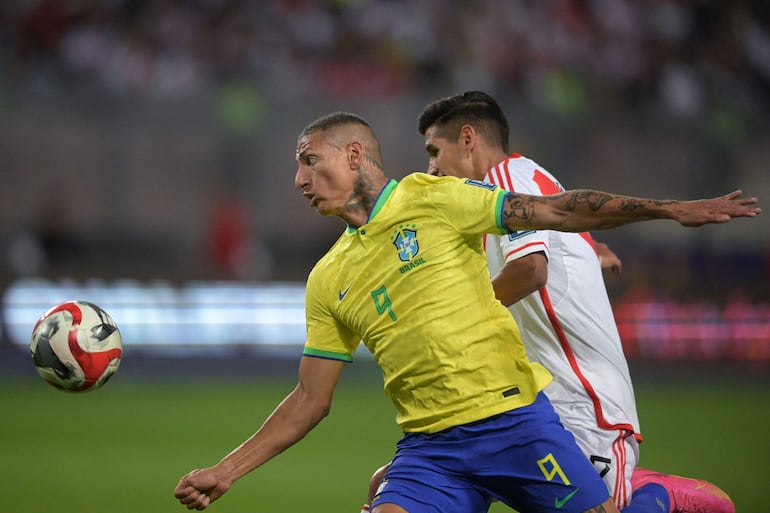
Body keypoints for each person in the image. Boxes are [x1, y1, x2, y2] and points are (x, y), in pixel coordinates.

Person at [174, 111, 759, 513]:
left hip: (515, 426)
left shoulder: (436, 199)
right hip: (430, 450)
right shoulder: (328, 278)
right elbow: (310, 397)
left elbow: (555, 213)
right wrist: (226, 470)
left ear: (353, 154)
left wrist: (669, 208)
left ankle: (654, 496)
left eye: (308, 161)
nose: (298, 179)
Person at [360, 92, 739, 513]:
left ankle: (656, 496)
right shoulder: (491, 204)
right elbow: (560, 225)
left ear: (468, 139)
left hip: (581, 400)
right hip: (521, 403)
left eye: (434, 151)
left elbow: (531, 270)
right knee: (392, 486)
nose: (429, 167)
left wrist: (454, 324)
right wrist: (591, 250)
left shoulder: (507, 176)